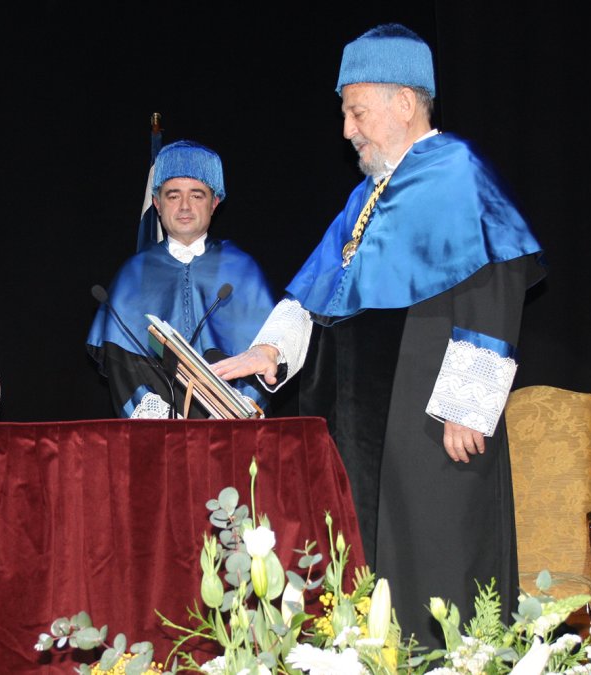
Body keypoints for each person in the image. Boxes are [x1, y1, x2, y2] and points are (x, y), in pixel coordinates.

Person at [211, 24, 545, 647]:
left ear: (405, 102)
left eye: (356, 111)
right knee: (370, 568)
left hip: (432, 416)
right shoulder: (366, 198)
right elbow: (316, 293)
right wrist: (270, 350)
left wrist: (468, 406)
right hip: (361, 427)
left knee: (437, 566)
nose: (347, 130)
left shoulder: (457, 172)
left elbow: (495, 279)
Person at [87, 140, 275, 418]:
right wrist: (159, 420)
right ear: (156, 203)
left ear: (214, 202)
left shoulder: (243, 271)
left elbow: (265, 355)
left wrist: (238, 413)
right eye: (173, 195)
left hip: (232, 432)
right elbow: (120, 363)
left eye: (197, 195)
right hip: (156, 436)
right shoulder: (133, 275)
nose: (185, 206)